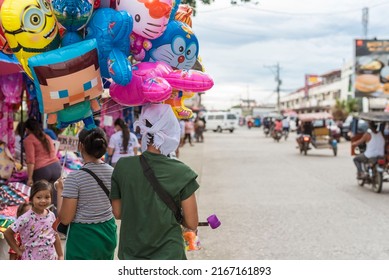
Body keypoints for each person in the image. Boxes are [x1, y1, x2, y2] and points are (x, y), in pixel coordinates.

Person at [111, 103, 199, 260]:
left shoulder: (123, 166)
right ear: (172, 129)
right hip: (169, 255)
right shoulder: (183, 172)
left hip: (131, 253)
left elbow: (118, 213)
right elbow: (192, 223)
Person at [55, 127, 117, 260]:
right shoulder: (113, 172)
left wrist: (60, 190)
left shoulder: (74, 178)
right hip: (108, 232)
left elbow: (65, 218)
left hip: (83, 238)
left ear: (80, 146)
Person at [4, 180, 63, 260]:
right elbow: (8, 233)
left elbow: (55, 236)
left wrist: (60, 255)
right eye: (39, 197)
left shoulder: (51, 215)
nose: (43, 200)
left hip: (50, 258)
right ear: (31, 199)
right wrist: (17, 251)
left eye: (47, 197)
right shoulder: (25, 218)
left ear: (51, 198)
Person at [23, 118, 61, 188]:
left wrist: (30, 178)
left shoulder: (28, 140)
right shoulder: (46, 137)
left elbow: (31, 161)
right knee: (53, 196)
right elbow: (53, 152)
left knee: (40, 196)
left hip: (42, 170)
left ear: (27, 129)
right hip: (56, 167)